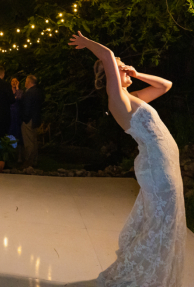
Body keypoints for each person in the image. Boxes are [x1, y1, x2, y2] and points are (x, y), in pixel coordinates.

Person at [69, 31, 184, 286]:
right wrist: (88, 44)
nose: (122, 69)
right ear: (109, 74)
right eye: (119, 68)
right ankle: (142, 276)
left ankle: (151, 274)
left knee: (162, 222)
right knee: (158, 224)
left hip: (165, 164)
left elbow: (165, 86)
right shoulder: (117, 100)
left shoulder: (135, 98)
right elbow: (107, 55)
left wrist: (135, 73)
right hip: (157, 168)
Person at [19, 74, 43, 168]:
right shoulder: (38, 92)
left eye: (25, 81)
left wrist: (24, 118)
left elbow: (27, 107)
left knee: (28, 141)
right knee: (34, 140)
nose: (25, 83)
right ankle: (34, 160)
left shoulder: (29, 93)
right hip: (35, 119)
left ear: (29, 82)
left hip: (28, 120)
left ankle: (28, 161)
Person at [8, 77, 24, 162]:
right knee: (9, 135)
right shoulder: (8, 92)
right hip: (9, 115)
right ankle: (10, 155)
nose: (14, 82)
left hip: (17, 116)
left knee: (18, 135)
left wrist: (17, 88)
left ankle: (19, 156)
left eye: (15, 81)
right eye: (12, 81)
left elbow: (20, 99)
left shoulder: (20, 91)